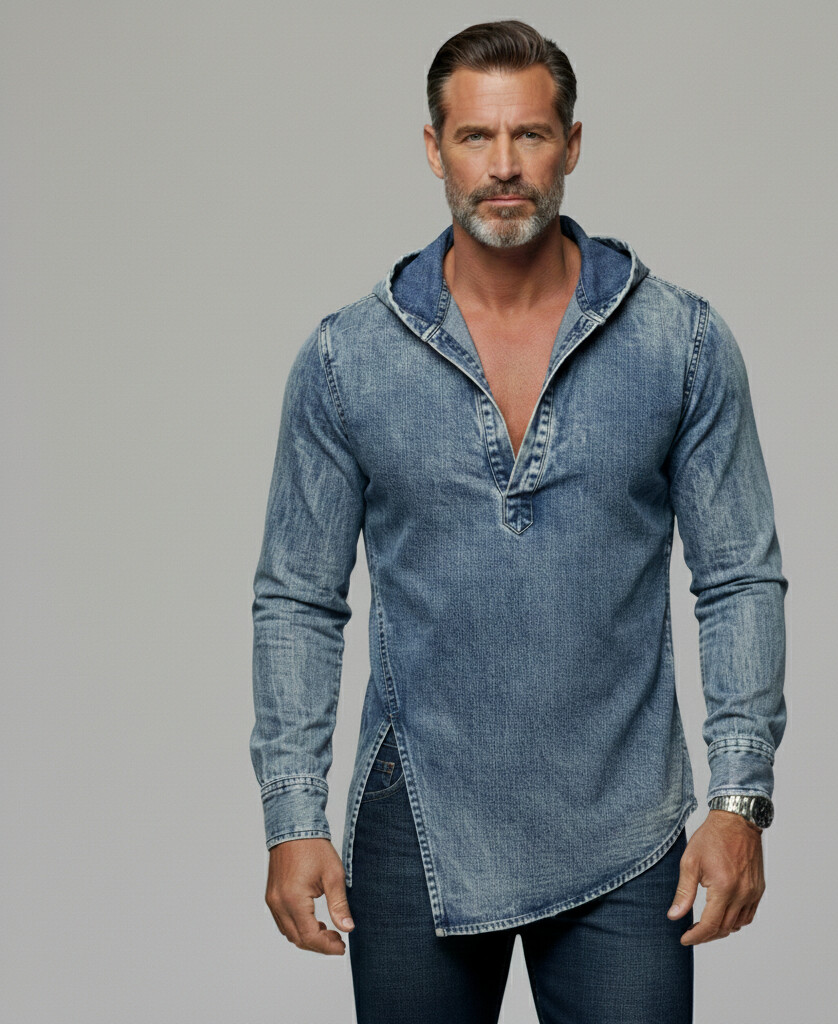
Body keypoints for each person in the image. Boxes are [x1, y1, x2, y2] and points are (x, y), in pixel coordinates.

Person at [250, 19, 787, 1024]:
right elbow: (297, 597)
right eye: (476, 136)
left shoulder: (679, 343)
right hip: (418, 822)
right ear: (434, 148)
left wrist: (738, 798)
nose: (504, 165)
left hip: (626, 825)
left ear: (571, 144)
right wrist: (292, 813)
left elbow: (738, 579)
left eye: (530, 134)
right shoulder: (346, 359)